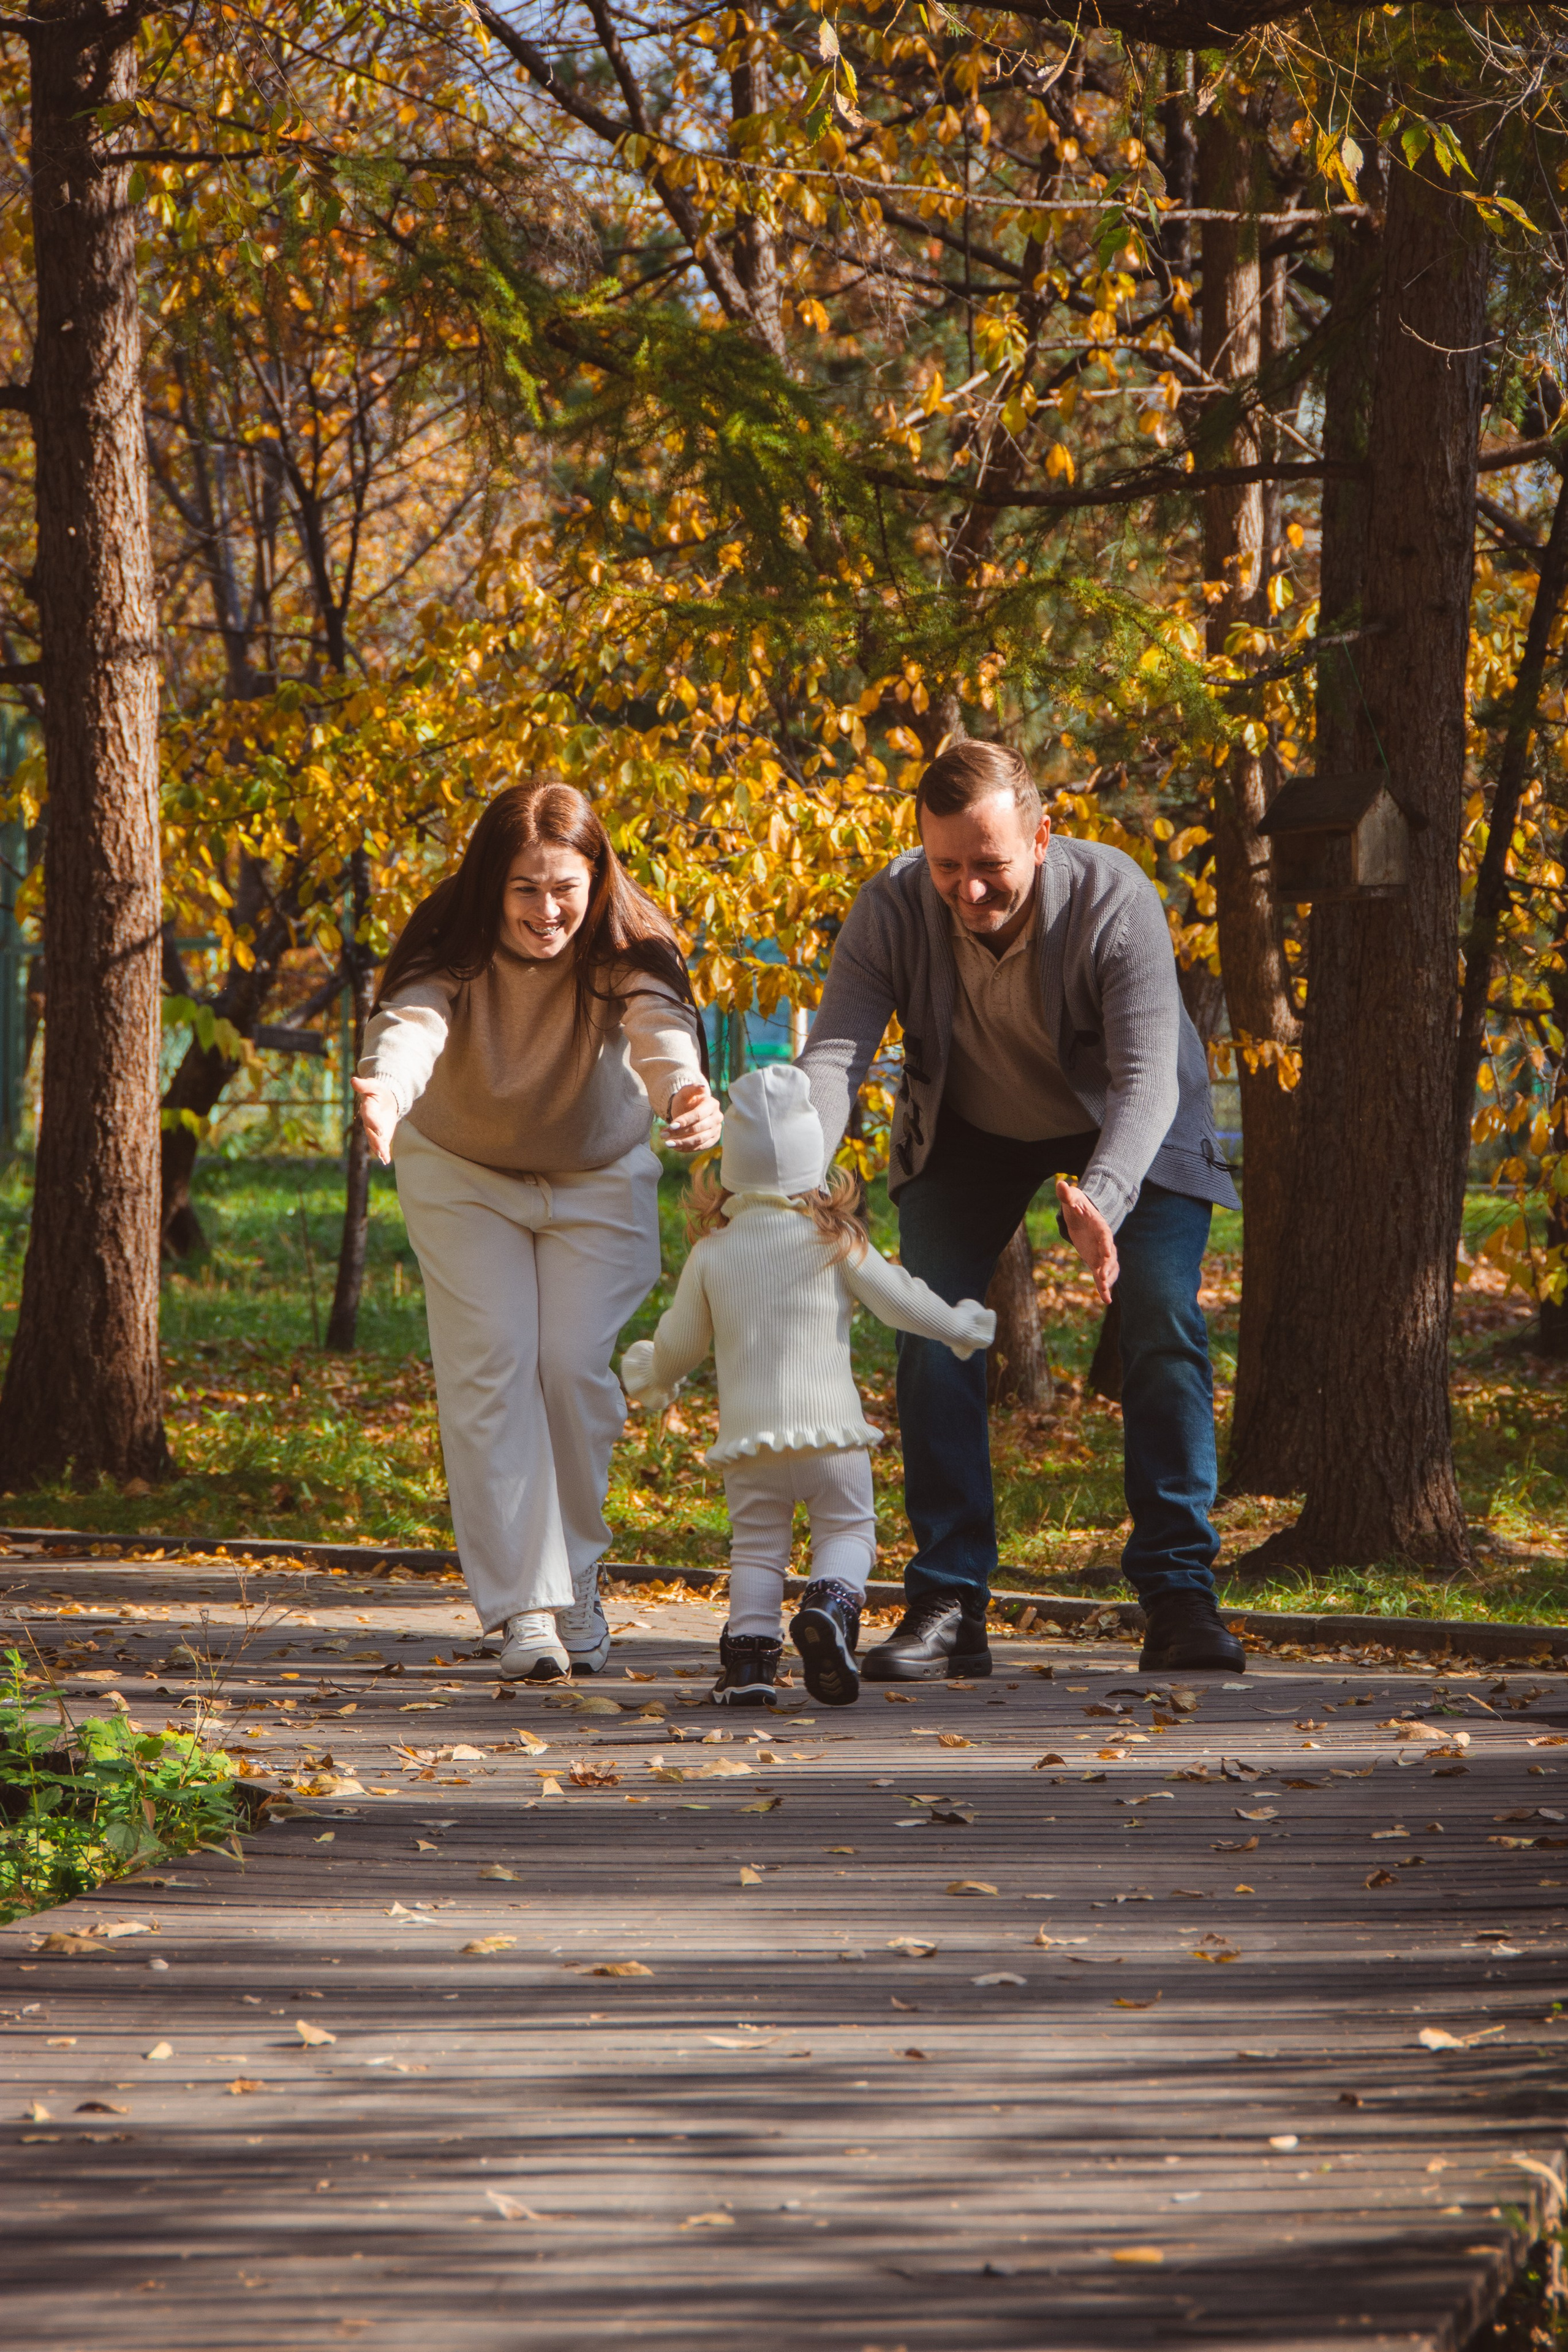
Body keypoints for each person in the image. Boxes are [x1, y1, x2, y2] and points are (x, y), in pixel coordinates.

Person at [798, 739, 1245, 1680]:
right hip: (971, 1126)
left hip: (1130, 1126)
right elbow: (836, 1056)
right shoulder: (891, 906)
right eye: (946, 865)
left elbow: (1144, 1077)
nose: (966, 889)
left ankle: (1178, 1595)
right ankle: (949, 1599)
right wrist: (788, 1175)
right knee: (930, 1323)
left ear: (1043, 839)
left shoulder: (1112, 895)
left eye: (990, 866)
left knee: (1159, 1317)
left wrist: (1107, 1203)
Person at [353, 780, 721, 1682]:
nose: (548, 910)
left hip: (595, 1178)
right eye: (526, 888)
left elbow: (661, 1028)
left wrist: (686, 1092)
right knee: (495, 1362)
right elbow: (412, 1023)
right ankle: (526, 1610)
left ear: (596, 880)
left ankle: (579, 1577)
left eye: (566, 886)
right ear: (493, 884)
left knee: (566, 1370)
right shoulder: (455, 947)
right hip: (463, 1172)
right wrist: (388, 1091)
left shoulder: (628, 945)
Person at [619, 1065, 993, 1708]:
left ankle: (748, 1665)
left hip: (749, 1443)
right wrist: (957, 1325)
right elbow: (899, 1300)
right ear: (812, 1166)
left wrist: (651, 1373)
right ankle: (830, 1606)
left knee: (758, 1548)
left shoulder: (713, 1252)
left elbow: (682, 1344)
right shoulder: (835, 1241)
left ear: (730, 1169)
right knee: (848, 1530)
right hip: (832, 1435)